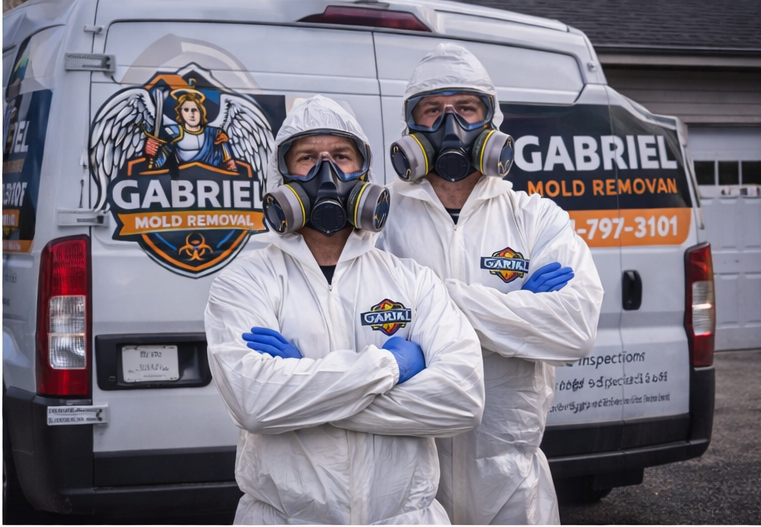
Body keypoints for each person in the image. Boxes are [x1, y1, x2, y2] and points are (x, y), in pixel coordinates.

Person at [204, 95, 485, 524]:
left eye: (340, 156)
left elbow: (462, 400)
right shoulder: (244, 283)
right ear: (280, 175)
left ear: (364, 174)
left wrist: (307, 390)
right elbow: (254, 403)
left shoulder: (411, 280)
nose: (326, 172)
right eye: (307, 159)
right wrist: (388, 367)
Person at [378, 43, 603, 525]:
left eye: (466, 108)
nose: (449, 124)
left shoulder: (535, 217)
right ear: (411, 128)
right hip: (410, 476)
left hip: (512, 482)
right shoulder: (378, 222)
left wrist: (425, 306)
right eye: (433, 110)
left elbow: (574, 329)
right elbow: (362, 333)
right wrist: (517, 309)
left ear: (490, 122)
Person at [144, 84, 236, 171]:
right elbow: (158, 163)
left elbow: (230, 164)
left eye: (194, 110)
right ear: (180, 113)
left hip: (213, 178)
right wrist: (151, 152)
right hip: (184, 179)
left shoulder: (215, 133)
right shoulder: (173, 132)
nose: (191, 114)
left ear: (201, 112)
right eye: (186, 110)